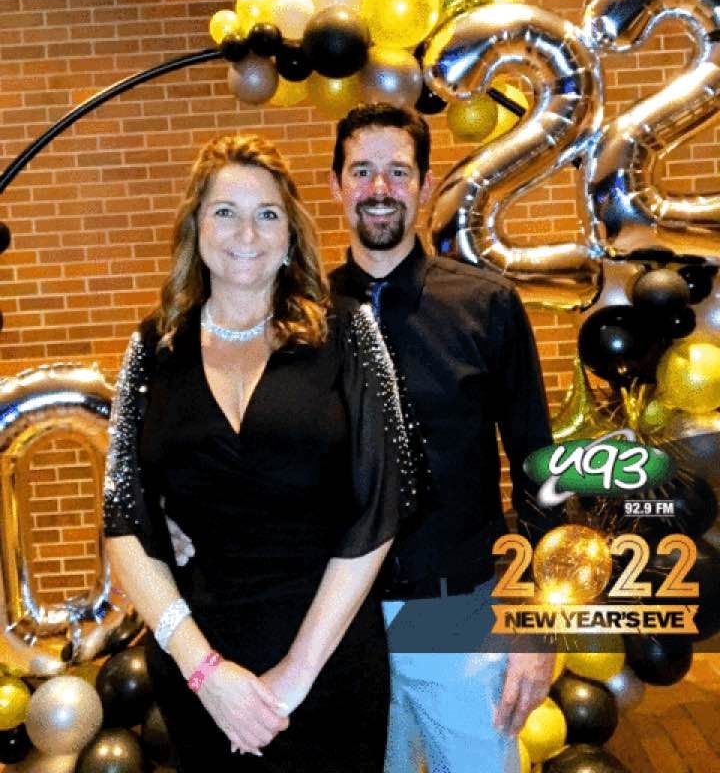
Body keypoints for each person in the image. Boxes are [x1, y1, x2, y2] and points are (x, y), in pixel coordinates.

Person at [103, 132, 419, 772]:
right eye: (225, 211)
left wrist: (296, 675)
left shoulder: (349, 330)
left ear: (290, 234)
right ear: (196, 227)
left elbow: (386, 500)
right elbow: (122, 519)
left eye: (267, 213)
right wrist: (206, 673)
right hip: (200, 661)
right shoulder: (151, 350)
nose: (246, 231)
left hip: (327, 660)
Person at [328, 103, 558, 773]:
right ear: (338, 184)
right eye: (362, 171)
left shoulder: (485, 304)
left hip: (458, 611)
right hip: (340, 624)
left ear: (426, 186)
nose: (378, 189)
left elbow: (538, 467)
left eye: (397, 172)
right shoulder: (304, 315)